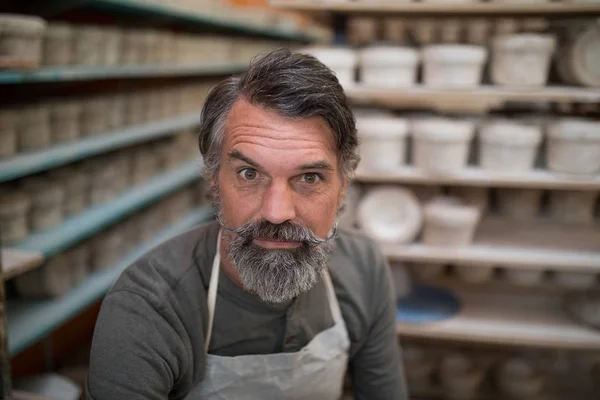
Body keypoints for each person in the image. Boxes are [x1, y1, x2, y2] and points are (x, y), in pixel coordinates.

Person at [87, 48, 408, 400]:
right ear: (214, 182)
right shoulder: (148, 308)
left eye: (310, 178)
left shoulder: (363, 269)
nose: (276, 212)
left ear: (342, 188)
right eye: (249, 173)